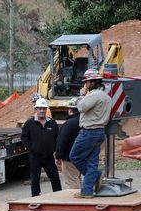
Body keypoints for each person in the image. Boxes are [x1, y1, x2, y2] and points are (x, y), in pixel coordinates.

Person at [70, 69, 111, 198]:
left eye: (87, 82)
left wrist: (82, 95)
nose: (85, 85)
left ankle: (95, 176)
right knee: (92, 162)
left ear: (93, 82)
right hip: (99, 132)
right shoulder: (106, 96)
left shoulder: (93, 95)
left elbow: (81, 108)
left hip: (89, 132)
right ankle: (87, 191)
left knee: (74, 156)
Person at [21, 98, 62, 197]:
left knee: (55, 178)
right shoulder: (29, 123)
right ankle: (35, 197)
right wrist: (32, 149)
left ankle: (59, 196)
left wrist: (56, 151)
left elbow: (58, 138)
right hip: (35, 157)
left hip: (49, 157)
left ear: (46, 109)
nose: (42, 111)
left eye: (44, 108)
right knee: (35, 179)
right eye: (40, 108)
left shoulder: (52, 123)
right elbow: (24, 138)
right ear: (36, 109)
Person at [55, 97, 82, 189]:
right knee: (78, 178)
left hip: (69, 158)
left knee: (72, 181)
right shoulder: (85, 122)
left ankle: (76, 202)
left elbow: (62, 140)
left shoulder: (69, 124)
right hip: (83, 156)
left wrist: (58, 155)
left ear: (70, 110)